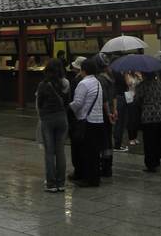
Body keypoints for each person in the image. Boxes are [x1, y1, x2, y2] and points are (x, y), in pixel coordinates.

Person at [69, 58, 104, 187]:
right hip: (98, 120)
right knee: (94, 152)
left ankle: (87, 178)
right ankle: (95, 178)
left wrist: (68, 107)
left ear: (83, 70)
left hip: (87, 121)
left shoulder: (84, 84)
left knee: (86, 152)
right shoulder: (97, 82)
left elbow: (77, 103)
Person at [37, 58, 70, 193]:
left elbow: (39, 104)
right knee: (60, 151)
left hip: (48, 119)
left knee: (49, 152)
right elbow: (67, 101)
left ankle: (51, 184)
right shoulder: (65, 83)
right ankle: (61, 183)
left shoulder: (43, 84)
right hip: (62, 118)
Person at [134, 72, 161, 173]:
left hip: (149, 117)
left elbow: (137, 100)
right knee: (160, 139)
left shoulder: (142, 86)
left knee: (149, 142)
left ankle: (152, 164)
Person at [95, 53, 117, 178]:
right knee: (108, 140)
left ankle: (104, 167)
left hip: (103, 114)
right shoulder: (110, 78)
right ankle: (108, 167)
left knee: (102, 141)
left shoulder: (100, 79)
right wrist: (115, 111)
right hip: (111, 113)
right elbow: (113, 96)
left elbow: (104, 100)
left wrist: (108, 113)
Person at [125, 71, 141, 146]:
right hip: (130, 98)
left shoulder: (137, 75)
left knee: (136, 119)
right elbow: (128, 84)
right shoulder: (127, 75)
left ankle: (135, 137)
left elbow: (141, 84)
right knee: (131, 119)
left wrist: (139, 78)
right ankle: (131, 138)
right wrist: (132, 81)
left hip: (137, 98)